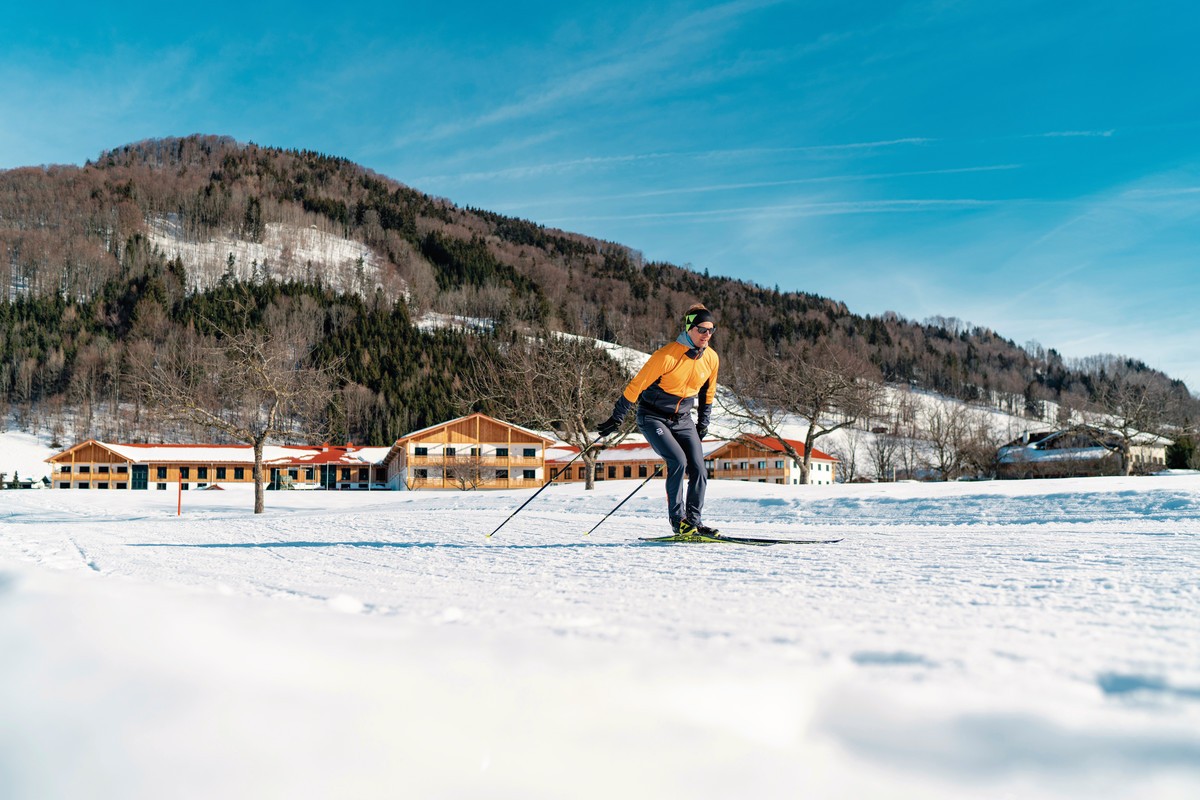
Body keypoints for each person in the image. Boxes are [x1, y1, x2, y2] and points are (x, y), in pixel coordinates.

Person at [598, 303, 720, 538]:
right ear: (689, 328)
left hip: (683, 418)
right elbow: (637, 385)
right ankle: (679, 521)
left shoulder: (712, 359)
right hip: (653, 416)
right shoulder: (666, 355)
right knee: (678, 461)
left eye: (711, 330)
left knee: (699, 468)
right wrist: (617, 416)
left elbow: (708, 393)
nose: (707, 335)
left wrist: (703, 422)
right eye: (702, 329)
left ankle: (695, 522)